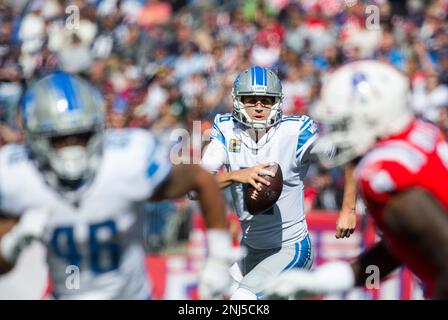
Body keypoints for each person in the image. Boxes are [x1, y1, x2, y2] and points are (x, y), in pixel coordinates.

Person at [0, 71, 235, 299]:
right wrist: (12, 243)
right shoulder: (18, 176)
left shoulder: (125, 161)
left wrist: (219, 257)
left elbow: (200, 179)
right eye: (58, 139)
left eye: (81, 135)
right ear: (33, 138)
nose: (72, 147)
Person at [266, 60, 448, 299]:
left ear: (372, 118)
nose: (336, 133)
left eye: (343, 124)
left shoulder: (382, 173)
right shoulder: (422, 133)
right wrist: (325, 280)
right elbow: (412, 239)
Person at [200, 66, 356, 300]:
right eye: (251, 100)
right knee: (213, 293)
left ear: (278, 102)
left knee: (242, 301)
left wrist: (349, 209)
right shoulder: (226, 129)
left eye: (266, 100)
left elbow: (349, 155)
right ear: (237, 101)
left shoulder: (295, 132)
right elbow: (196, 186)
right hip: (251, 248)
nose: (259, 107)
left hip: (290, 247)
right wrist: (235, 176)